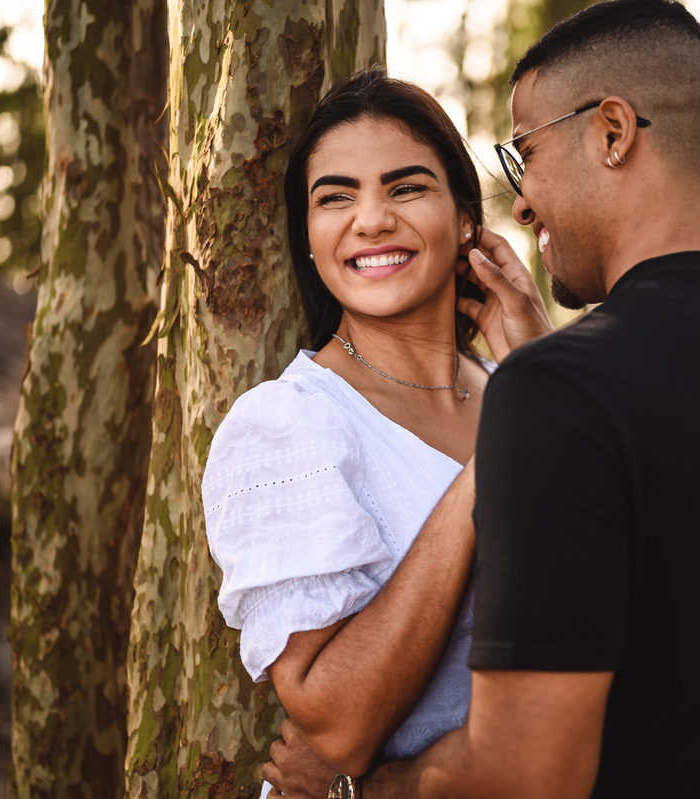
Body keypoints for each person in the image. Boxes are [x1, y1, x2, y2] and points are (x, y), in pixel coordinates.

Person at [263, 0, 700, 797]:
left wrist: (369, 789)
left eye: (525, 155)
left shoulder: (557, 389)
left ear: (613, 132)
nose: (524, 199)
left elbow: (525, 769)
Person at [199, 67, 551, 798]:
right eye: (336, 197)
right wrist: (501, 453)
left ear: (464, 220)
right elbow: (337, 726)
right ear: (308, 234)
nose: (371, 219)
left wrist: (546, 381)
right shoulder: (288, 424)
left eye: (405, 186)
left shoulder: (519, 383)